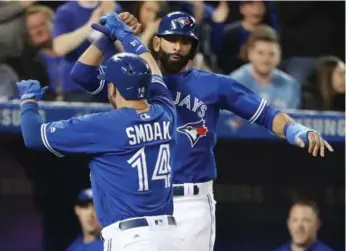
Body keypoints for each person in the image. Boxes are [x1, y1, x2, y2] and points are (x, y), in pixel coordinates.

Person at [72, 11, 334, 251]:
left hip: (191, 202)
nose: (177, 47)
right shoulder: (134, 78)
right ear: (156, 43)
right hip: (144, 200)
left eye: (184, 41)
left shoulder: (213, 85)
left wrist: (296, 130)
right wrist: (105, 37)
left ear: (193, 48)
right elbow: (83, 75)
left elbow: (266, 114)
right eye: (171, 39)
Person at [17, 13, 182, 251]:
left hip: (133, 238)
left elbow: (33, 136)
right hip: (170, 236)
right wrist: (124, 35)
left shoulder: (105, 125)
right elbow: (151, 66)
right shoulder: (165, 111)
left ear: (112, 88)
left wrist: (28, 101)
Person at [229, 25, 301, 109]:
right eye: (260, 53)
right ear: (250, 54)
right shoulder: (234, 84)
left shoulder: (291, 86)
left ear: (279, 56)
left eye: (271, 54)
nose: (266, 59)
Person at [25, 4, 63, 101]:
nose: (38, 31)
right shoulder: (28, 63)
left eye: (42, 24)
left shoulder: (73, 54)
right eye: (32, 28)